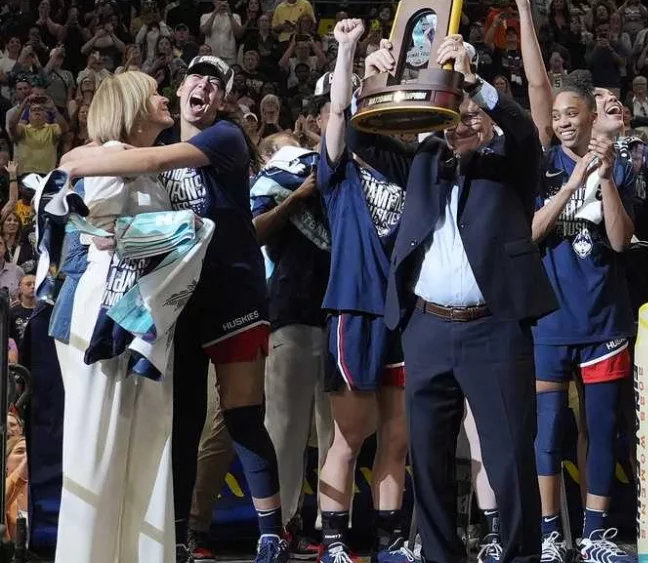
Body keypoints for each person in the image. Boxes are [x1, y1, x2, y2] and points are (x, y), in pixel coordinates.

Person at [58, 56, 290, 563]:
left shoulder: (221, 138)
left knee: (243, 414)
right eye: (194, 77)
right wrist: (81, 157)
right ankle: (181, 534)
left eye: (216, 81)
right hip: (172, 304)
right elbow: (111, 174)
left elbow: (141, 164)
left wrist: (74, 163)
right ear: (180, 87)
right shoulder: (149, 147)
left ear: (224, 100)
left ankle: (271, 532)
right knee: (178, 422)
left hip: (231, 294)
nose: (202, 85)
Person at [356, 33, 555, 563]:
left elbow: (525, 131)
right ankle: (440, 555)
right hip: (426, 329)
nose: (463, 122)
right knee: (429, 458)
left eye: (471, 115)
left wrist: (472, 83)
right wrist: (369, 81)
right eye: (453, 115)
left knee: (510, 455)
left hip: (494, 328)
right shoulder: (423, 163)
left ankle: (520, 556)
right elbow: (363, 139)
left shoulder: (510, 165)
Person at [48, 71, 185, 563]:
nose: (165, 98)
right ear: (130, 105)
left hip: (147, 320)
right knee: (97, 449)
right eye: (155, 93)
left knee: (147, 447)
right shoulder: (102, 159)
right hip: (99, 316)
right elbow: (87, 217)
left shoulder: (150, 169)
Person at [315, 20, 412, 563]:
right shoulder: (340, 161)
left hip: (404, 312)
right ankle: (333, 541)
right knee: (349, 438)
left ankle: (390, 541)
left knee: (398, 440)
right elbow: (337, 111)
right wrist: (349, 51)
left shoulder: (410, 162)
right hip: (353, 307)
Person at [530, 70, 637, 563]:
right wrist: (573, 183)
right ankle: (551, 532)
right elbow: (530, 232)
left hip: (604, 320)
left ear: (592, 117)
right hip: (549, 320)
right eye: (556, 116)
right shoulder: (539, 167)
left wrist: (607, 180)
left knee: (601, 427)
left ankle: (595, 533)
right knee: (548, 430)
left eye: (572, 113)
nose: (563, 122)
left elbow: (619, 241)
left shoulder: (622, 166)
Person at [251, 125, 331, 560]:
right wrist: (296, 196)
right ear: (267, 161)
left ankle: (331, 528)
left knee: (334, 433)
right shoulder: (268, 192)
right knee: (285, 432)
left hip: (336, 316)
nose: (298, 159)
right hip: (287, 314)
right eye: (286, 153)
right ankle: (280, 527)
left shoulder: (328, 187)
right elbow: (255, 233)